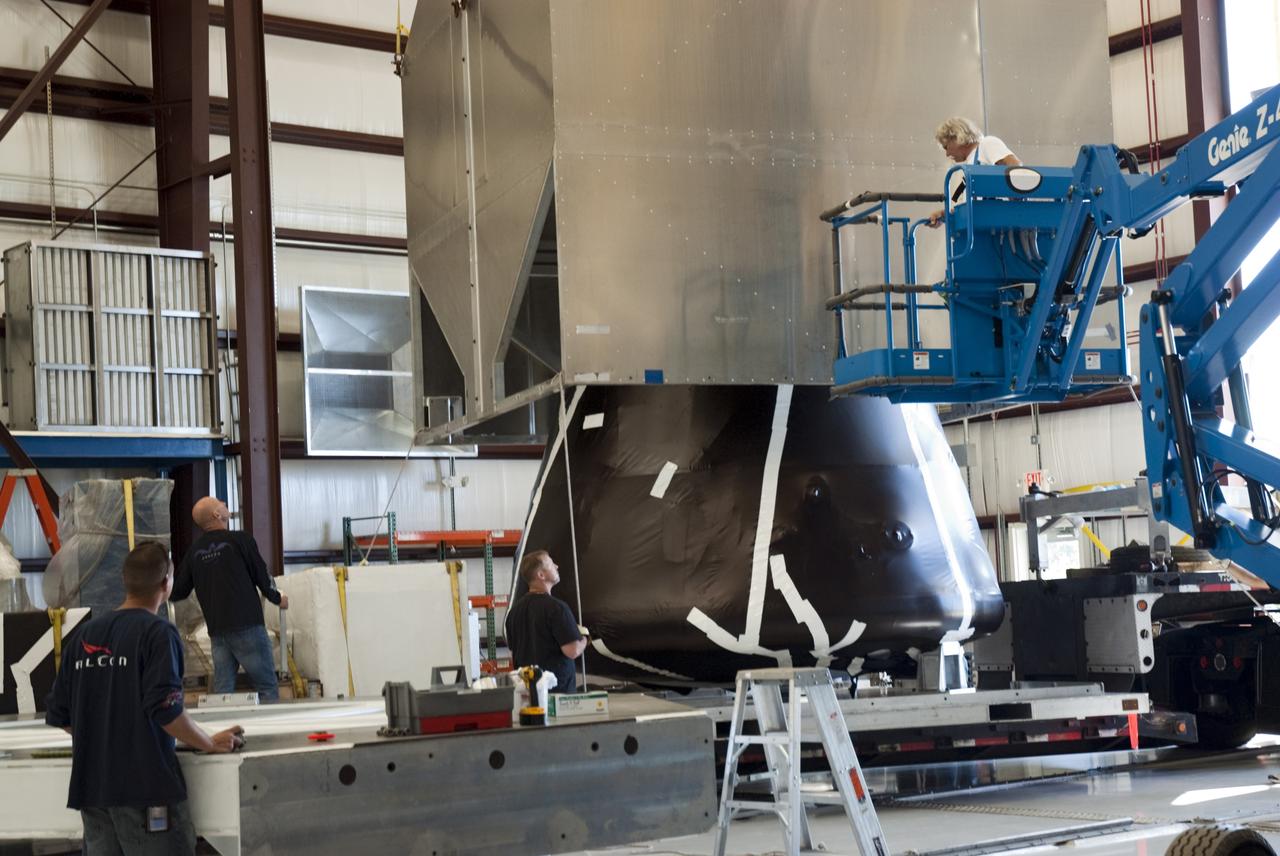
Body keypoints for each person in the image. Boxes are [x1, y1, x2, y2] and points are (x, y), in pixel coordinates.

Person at [46, 541, 244, 855]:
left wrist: (107, 741)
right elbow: (165, 708)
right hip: (145, 790)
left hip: (93, 791)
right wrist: (208, 742)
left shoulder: (84, 635)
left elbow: (60, 713)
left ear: (125, 581)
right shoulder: (158, 633)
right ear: (166, 584)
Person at [171, 497, 288, 702]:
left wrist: (157, 588)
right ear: (217, 514)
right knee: (267, 688)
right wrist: (277, 597)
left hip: (218, 631)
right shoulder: (241, 540)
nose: (225, 504)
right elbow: (261, 575)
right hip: (247, 626)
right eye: (221, 503)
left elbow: (178, 591)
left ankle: (222, 723)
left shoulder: (194, 552)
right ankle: (269, 723)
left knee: (223, 692)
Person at [505, 550, 586, 694]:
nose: (556, 566)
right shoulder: (557, 608)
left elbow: (514, 653)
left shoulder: (514, 612)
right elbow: (572, 651)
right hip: (557, 695)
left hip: (527, 693)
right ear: (541, 575)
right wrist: (585, 639)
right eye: (551, 564)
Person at [927, 116, 1022, 227]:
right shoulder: (967, 170)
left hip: (1000, 225)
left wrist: (1014, 208)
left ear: (956, 137)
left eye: (946, 147)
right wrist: (944, 215)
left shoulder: (986, 144)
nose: (947, 154)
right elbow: (964, 206)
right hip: (981, 228)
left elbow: (1015, 168)